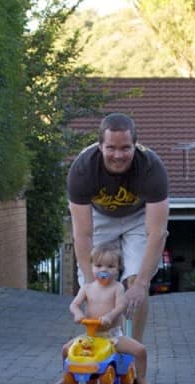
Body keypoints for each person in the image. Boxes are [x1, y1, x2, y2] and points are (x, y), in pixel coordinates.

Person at [67, 112, 170, 343]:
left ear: (135, 145)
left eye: (125, 148)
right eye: (111, 148)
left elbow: (157, 232)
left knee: (135, 284)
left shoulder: (152, 168)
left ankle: (133, 347)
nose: (118, 155)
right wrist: (91, 282)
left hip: (138, 218)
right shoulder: (83, 170)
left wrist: (141, 283)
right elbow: (82, 234)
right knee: (99, 284)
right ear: (100, 145)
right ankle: (104, 342)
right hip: (100, 218)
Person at [58, 242, 153, 384]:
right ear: (91, 267)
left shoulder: (117, 287)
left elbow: (120, 305)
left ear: (118, 269)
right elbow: (74, 304)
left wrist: (110, 316)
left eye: (110, 266)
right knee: (66, 349)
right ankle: (66, 376)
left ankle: (140, 378)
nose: (104, 270)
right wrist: (78, 313)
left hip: (112, 336)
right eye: (99, 266)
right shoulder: (87, 288)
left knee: (140, 350)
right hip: (91, 335)